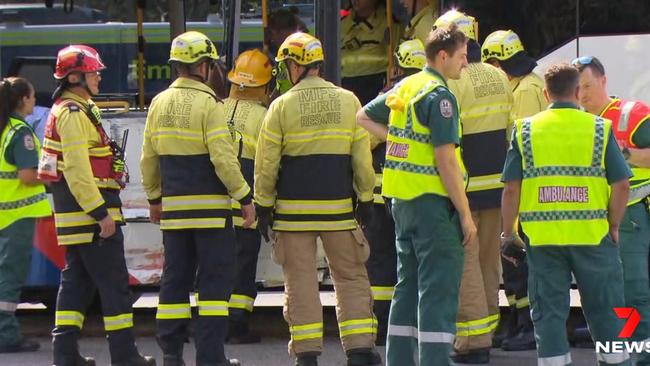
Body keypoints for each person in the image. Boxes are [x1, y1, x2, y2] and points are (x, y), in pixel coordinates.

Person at [254, 32, 381, 366]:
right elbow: (361, 160)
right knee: (351, 276)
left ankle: (307, 355)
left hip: (293, 216)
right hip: (339, 212)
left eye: (285, 65)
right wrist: (366, 198)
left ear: (296, 65)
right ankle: (360, 350)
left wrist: (263, 205)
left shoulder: (280, 106)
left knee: (300, 281)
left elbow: (267, 163)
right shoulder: (349, 100)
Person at [359, 23, 476, 365]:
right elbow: (446, 162)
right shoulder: (439, 97)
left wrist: (396, 142)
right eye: (462, 57)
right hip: (431, 205)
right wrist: (466, 215)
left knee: (406, 288)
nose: (465, 64)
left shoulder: (407, 86)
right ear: (443, 56)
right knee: (437, 290)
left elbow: (363, 116)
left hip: (401, 203)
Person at [501, 63, 632, 366]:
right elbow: (622, 184)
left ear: (546, 93)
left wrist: (509, 234)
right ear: (577, 92)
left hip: (544, 242)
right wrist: (613, 225)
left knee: (548, 317)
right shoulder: (599, 128)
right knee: (607, 314)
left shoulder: (525, 130)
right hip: (593, 237)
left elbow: (511, 188)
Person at [140, 31, 255, 366]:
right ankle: (210, 356)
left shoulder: (158, 103)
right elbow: (223, 158)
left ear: (177, 66)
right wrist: (244, 196)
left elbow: (149, 159)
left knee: (174, 282)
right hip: (211, 215)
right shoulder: (210, 105)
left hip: (174, 213)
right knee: (214, 287)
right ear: (204, 66)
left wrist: (154, 198)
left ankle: (172, 355)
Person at [42, 45, 155, 366]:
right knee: (115, 285)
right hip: (91, 217)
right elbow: (77, 169)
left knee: (76, 284)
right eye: (94, 72)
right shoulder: (73, 114)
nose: (99, 77)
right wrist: (100, 214)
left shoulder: (71, 109)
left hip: (78, 217)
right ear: (75, 76)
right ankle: (124, 355)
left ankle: (64, 354)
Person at [434, 10, 513, 364]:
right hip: (498, 186)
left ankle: (470, 339)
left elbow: (450, 140)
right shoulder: (499, 76)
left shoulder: (453, 82)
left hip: (465, 190)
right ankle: (488, 332)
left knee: (464, 266)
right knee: (488, 263)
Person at [574, 55, 650, 364]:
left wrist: (622, 154)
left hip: (630, 216)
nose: (583, 94)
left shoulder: (630, 114)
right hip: (602, 222)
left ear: (604, 81)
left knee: (632, 295)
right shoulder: (577, 122)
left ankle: (640, 358)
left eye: (588, 86)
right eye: (578, 88)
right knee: (612, 297)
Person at [357, 37, 427, 347]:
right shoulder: (430, 94)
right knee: (414, 259)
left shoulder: (387, 97)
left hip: (379, 192)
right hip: (415, 191)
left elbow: (363, 136)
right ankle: (414, 325)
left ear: (396, 66)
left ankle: (385, 325)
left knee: (381, 259)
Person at [481, 28, 547, 352]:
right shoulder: (527, 84)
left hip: (524, 188)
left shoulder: (522, 91)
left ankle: (526, 326)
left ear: (496, 62)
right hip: (527, 187)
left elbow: (520, 143)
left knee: (517, 258)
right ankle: (519, 323)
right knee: (516, 259)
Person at [223, 49, 273, 345]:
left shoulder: (215, 107)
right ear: (264, 85)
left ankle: (212, 323)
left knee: (213, 264)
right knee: (243, 264)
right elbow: (268, 164)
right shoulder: (265, 116)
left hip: (215, 203)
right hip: (246, 203)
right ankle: (237, 324)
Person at [0, 77, 51, 353]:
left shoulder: (4, 129)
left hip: (4, 213)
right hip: (18, 215)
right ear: (22, 100)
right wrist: (52, 173)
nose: (35, 101)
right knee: (10, 275)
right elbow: (28, 176)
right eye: (32, 97)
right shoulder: (22, 133)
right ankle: (6, 336)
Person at [340, 0, 394, 105]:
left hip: (375, 86)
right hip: (343, 85)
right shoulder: (340, 22)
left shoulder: (389, 23)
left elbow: (396, 58)